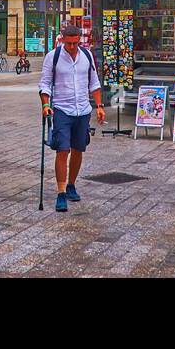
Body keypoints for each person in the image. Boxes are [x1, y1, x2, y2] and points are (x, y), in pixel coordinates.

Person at [37, 25, 105, 212]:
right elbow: (45, 83)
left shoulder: (87, 56)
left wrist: (99, 106)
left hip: (83, 110)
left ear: (80, 40)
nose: (72, 47)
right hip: (61, 110)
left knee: (78, 149)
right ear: (62, 40)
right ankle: (60, 193)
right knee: (62, 150)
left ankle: (71, 185)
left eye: (75, 43)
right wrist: (45, 105)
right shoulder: (53, 57)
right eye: (69, 43)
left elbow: (94, 83)